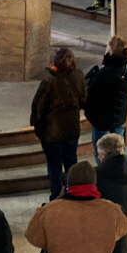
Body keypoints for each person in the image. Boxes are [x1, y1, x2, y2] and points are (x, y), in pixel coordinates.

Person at [30, 47, 88, 199]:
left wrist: (37, 126)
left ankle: (56, 198)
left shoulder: (49, 80)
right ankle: (73, 195)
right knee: (71, 165)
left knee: (54, 167)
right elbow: (84, 101)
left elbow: (38, 107)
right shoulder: (79, 76)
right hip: (71, 130)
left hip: (51, 134)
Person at [83, 35, 127, 154]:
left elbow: (93, 99)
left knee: (102, 152)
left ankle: (105, 171)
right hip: (119, 117)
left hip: (102, 120)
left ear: (111, 52)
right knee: (119, 149)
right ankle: (122, 169)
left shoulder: (104, 73)